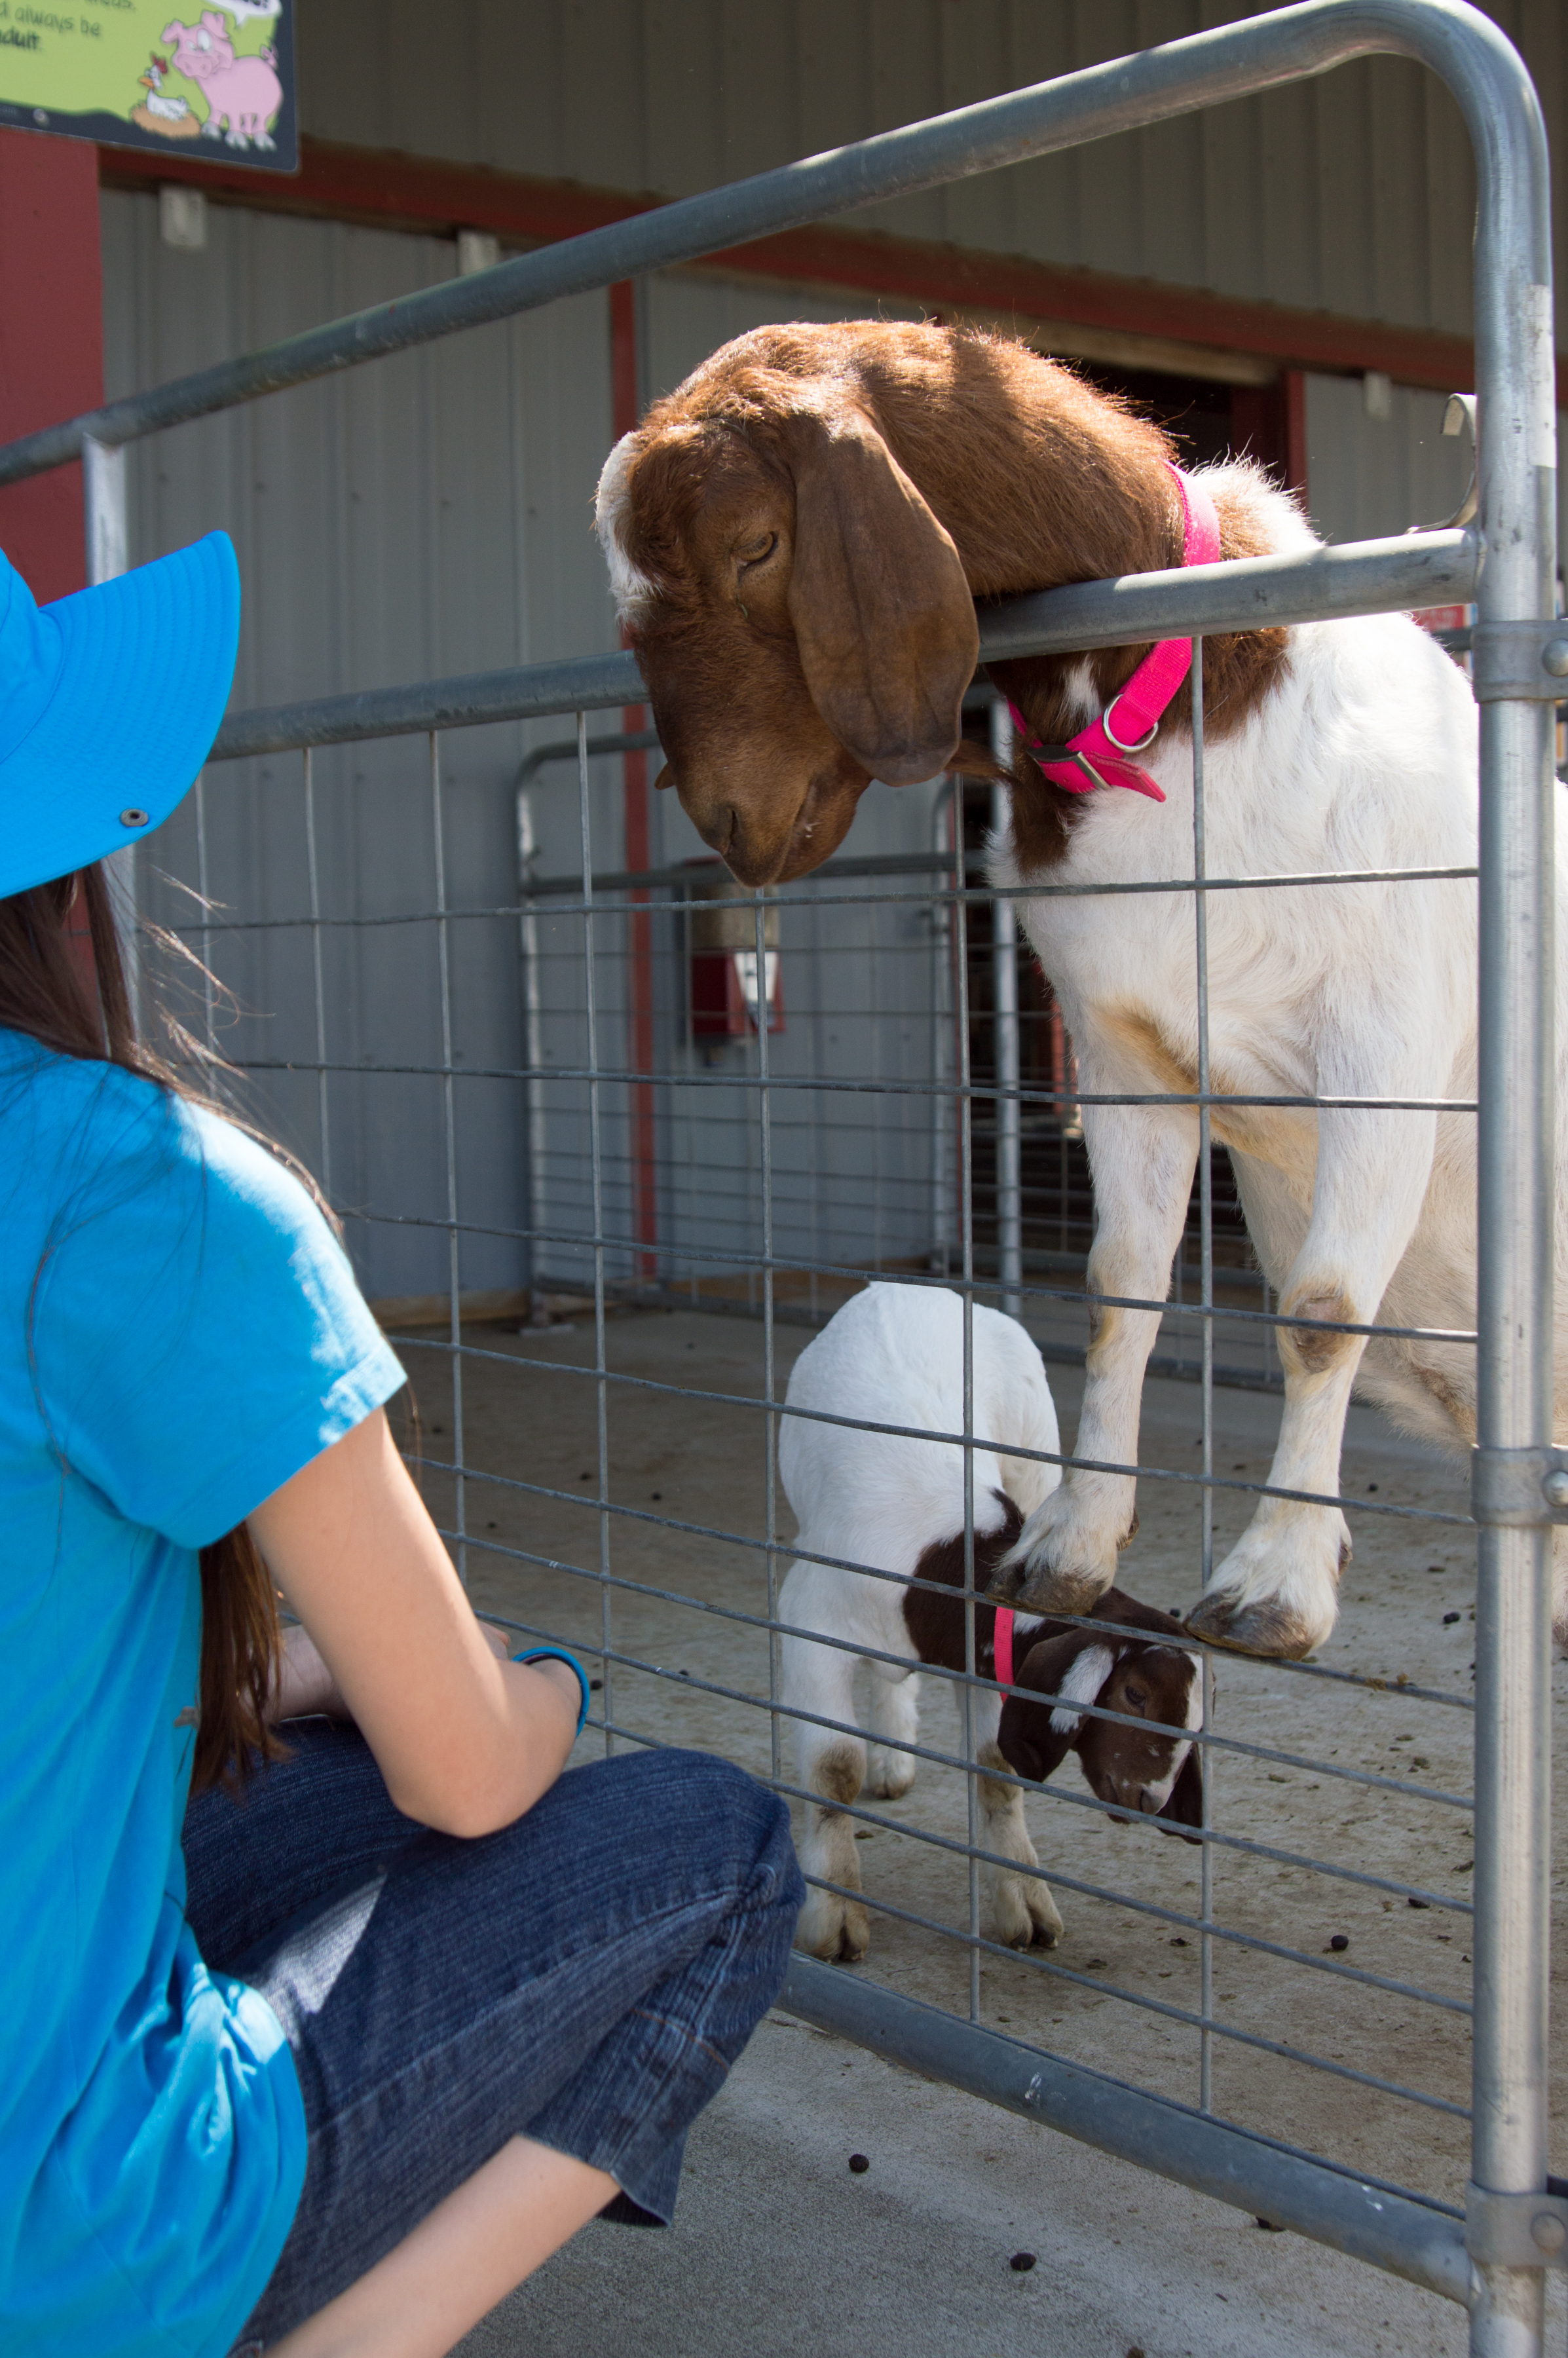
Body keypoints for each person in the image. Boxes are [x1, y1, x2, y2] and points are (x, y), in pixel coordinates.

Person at [0, 529, 802, 2358]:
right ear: (64, 870)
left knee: (305, 1762)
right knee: (718, 1848)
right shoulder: (145, 1196)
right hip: (61, 2235)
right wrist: (546, 1684)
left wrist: (270, 1679)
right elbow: (465, 1779)